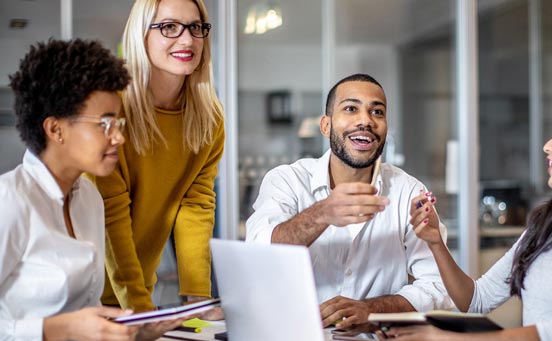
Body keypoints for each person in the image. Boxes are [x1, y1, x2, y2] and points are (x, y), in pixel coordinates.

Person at [384, 100, 552, 340]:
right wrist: (435, 242)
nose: (548, 145)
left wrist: (446, 338)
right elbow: (476, 300)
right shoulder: (548, 225)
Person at [246, 73, 454, 329]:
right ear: (326, 125)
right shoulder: (287, 180)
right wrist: (321, 214)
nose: (365, 120)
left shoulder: (408, 191)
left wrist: (372, 310)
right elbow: (257, 255)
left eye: (377, 112)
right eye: (351, 109)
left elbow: (438, 286)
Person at [92, 0, 225, 313]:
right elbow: (110, 210)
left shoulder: (209, 118)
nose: (187, 40)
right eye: (168, 27)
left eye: (195, 27)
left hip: (137, 291)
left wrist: (197, 299)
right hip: (82, 293)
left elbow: (196, 206)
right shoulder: (112, 107)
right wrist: (138, 308)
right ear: (142, 35)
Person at [0, 39, 137, 340]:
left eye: (118, 123)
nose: (118, 138)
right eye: (104, 123)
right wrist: (54, 330)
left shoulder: (89, 198)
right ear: (55, 129)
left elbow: (89, 307)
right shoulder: (10, 200)